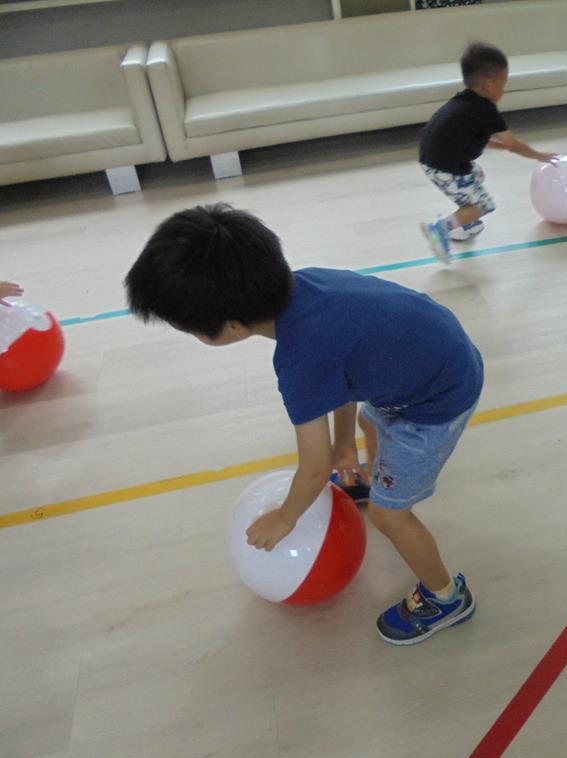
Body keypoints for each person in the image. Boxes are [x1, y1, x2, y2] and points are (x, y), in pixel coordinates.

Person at [125, 204, 483, 645]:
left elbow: (313, 469)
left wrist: (285, 518)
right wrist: (344, 443)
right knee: (369, 425)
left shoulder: (299, 361)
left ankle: (446, 597)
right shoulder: (308, 285)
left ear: (234, 327)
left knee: (390, 517)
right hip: (433, 356)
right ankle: (374, 478)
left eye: (194, 330)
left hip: (436, 399)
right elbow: (345, 372)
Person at [419, 41, 557, 263]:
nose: (504, 89)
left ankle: (467, 222)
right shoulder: (486, 110)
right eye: (503, 84)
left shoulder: (465, 101)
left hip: (432, 156)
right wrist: (539, 156)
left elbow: (469, 136)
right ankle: (440, 229)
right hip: (445, 165)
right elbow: (514, 143)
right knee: (484, 205)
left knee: (477, 175)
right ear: (488, 85)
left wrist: (501, 146)